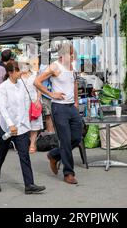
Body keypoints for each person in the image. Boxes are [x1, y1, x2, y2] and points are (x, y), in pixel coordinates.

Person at [0, 61, 46, 194]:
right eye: (18, 71)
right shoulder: (3, 87)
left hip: (21, 127)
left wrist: (24, 122)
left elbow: (25, 104)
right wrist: (10, 124)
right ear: (10, 73)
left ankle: (29, 185)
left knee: (24, 155)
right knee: (1, 155)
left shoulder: (22, 84)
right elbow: (2, 108)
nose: (20, 73)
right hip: (6, 127)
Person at [35, 43, 81, 184]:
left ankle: (54, 155)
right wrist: (51, 94)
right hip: (59, 108)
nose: (73, 57)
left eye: (73, 54)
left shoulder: (72, 67)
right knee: (65, 140)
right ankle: (68, 173)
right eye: (71, 54)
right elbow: (37, 82)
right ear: (63, 55)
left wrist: (76, 102)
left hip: (71, 107)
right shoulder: (54, 66)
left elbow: (74, 83)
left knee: (77, 137)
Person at [20, 57, 43, 154]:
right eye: (21, 63)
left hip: (34, 102)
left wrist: (38, 100)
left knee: (34, 123)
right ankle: (24, 144)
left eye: (25, 63)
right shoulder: (17, 76)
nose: (23, 65)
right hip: (21, 103)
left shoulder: (35, 75)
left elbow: (40, 88)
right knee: (22, 124)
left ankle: (32, 144)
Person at [39, 56, 55, 133]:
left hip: (53, 93)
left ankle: (52, 132)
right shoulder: (42, 67)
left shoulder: (55, 65)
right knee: (48, 114)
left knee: (52, 114)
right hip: (45, 93)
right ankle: (50, 132)